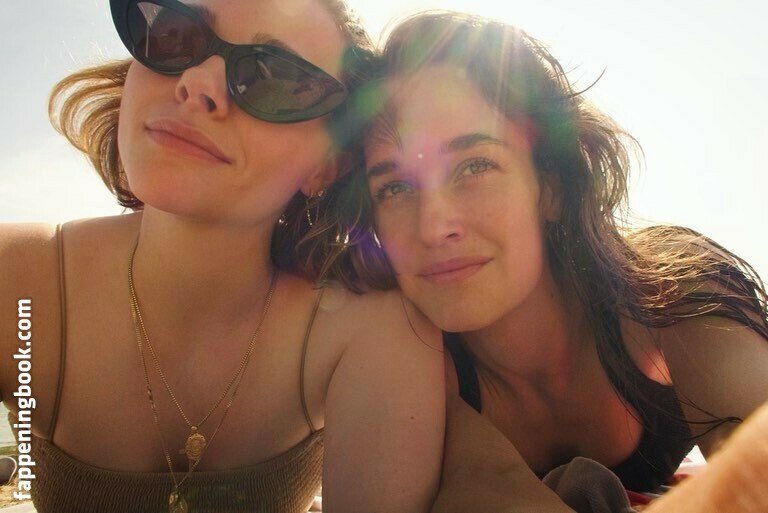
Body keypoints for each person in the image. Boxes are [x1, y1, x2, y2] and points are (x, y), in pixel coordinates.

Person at [0, 1, 445, 512]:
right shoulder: (16, 282)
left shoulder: (369, 332)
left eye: (272, 77)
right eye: (175, 35)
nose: (198, 84)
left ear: (326, 165)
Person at [325, 9, 768, 508]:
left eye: (475, 166)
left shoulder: (675, 291)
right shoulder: (413, 359)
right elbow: (492, 488)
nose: (433, 226)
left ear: (551, 187)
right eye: (395, 187)